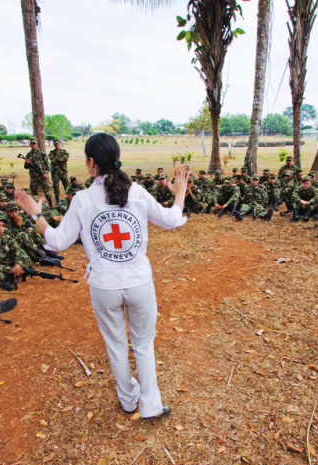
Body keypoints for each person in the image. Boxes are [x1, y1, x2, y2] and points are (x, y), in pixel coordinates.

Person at [13, 133, 188, 420]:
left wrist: (36, 214)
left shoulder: (82, 199)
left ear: (91, 163)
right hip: (139, 282)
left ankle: (129, 401)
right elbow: (171, 219)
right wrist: (179, 192)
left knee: (116, 346)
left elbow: (57, 241)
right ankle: (151, 406)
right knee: (144, 345)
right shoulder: (137, 192)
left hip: (104, 285)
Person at [25, 138, 53, 204]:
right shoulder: (28, 155)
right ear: (30, 145)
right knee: (33, 191)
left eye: (34, 143)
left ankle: (50, 203)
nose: (33, 145)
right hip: (33, 176)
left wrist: (46, 173)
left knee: (46, 190)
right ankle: (35, 204)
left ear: (36, 144)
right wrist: (26, 163)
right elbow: (26, 167)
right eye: (32, 144)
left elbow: (47, 164)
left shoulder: (42, 153)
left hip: (41, 175)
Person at [49, 139, 70, 203]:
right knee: (56, 186)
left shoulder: (64, 151)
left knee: (66, 184)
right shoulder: (52, 152)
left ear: (59, 143)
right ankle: (57, 199)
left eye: (57, 144)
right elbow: (53, 161)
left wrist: (57, 159)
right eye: (55, 144)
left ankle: (69, 196)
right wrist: (61, 159)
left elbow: (66, 158)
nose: (56, 145)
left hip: (63, 171)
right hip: (55, 172)